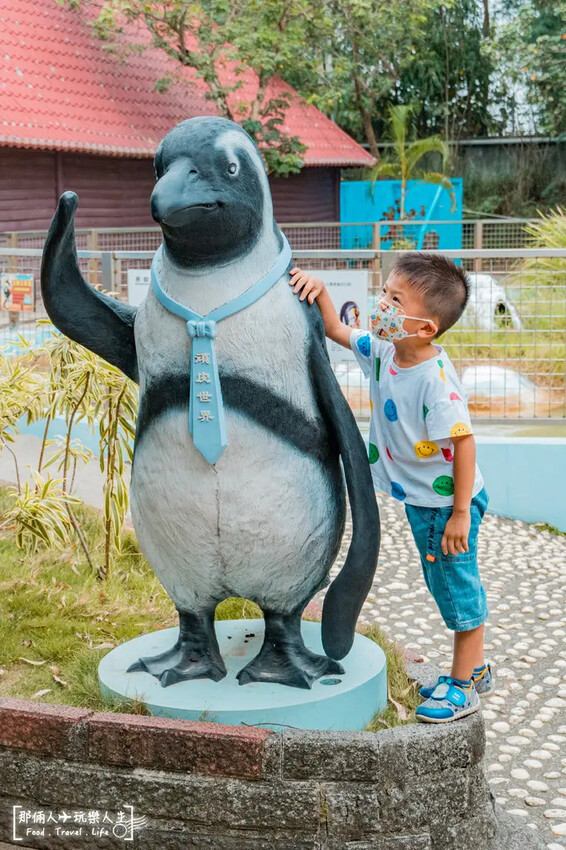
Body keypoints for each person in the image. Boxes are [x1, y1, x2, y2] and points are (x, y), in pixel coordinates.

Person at [289, 253, 491, 723]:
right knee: (445, 584)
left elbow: (464, 444)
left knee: (458, 592)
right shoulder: (386, 350)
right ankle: (474, 668)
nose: (381, 305)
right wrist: (319, 294)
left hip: (446, 505)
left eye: (394, 300)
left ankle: (464, 686)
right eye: (384, 293)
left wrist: (460, 514)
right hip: (427, 501)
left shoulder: (434, 381)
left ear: (426, 328)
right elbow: (339, 332)